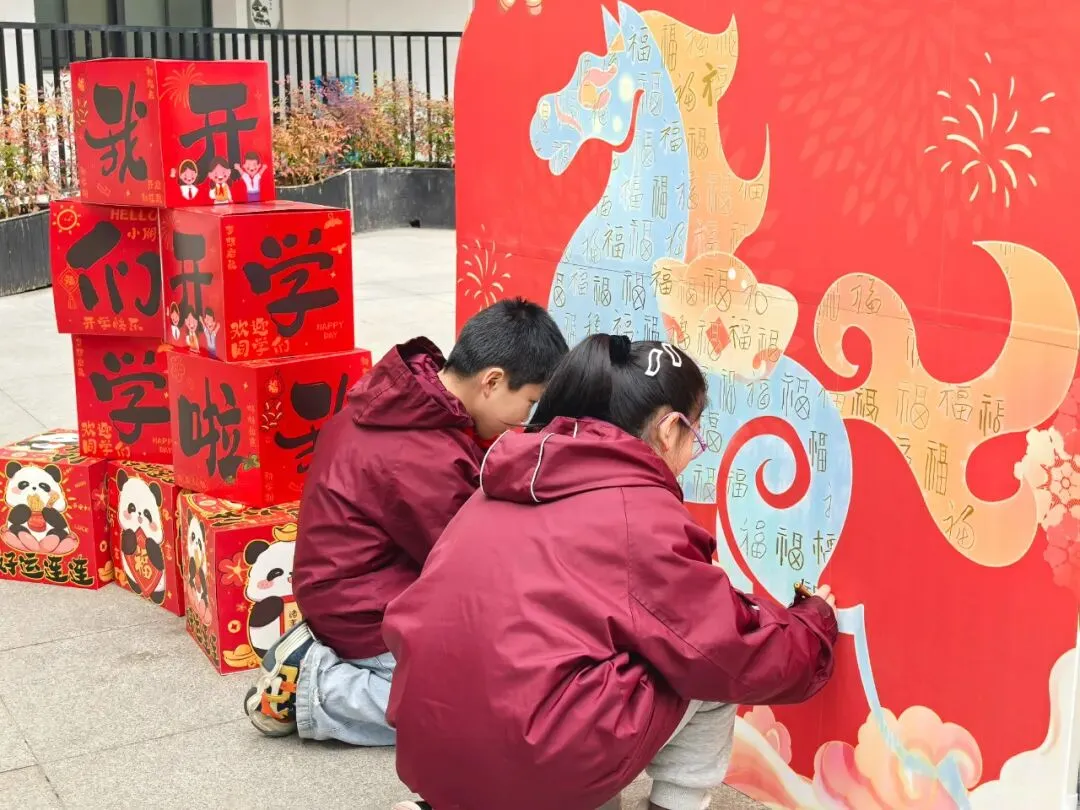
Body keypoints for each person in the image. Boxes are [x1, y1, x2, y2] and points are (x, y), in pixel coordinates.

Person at [382, 334, 839, 810]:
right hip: (531, 763)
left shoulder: (504, 475)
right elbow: (732, 648)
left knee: (617, 654)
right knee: (703, 665)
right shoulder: (639, 513)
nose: (692, 453)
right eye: (696, 435)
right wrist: (813, 624)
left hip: (428, 750)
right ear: (670, 429)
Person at [243, 298, 569, 746]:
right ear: (492, 381)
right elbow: (476, 565)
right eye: (529, 402)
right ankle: (317, 689)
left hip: (351, 587)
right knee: (490, 707)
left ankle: (329, 662)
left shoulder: (410, 401)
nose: (524, 420)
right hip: (363, 612)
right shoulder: (424, 452)